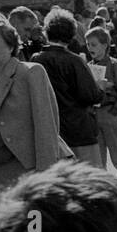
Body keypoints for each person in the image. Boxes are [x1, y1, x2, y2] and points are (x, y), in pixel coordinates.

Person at [0, 12, 69, 193]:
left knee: (34, 214)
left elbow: (46, 130)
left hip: (29, 175)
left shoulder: (31, 73)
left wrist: (45, 180)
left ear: (10, 45)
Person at [31, 9, 102, 166]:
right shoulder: (74, 61)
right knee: (89, 177)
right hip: (79, 130)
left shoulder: (36, 59)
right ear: (71, 34)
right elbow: (90, 95)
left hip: (51, 130)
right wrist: (100, 88)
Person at [83, 27, 117, 182]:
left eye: (93, 44)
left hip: (109, 113)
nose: (90, 48)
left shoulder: (114, 65)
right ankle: (103, 190)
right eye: (88, 44)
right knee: (97, 161)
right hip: (93, 116)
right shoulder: (88, 66)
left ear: (105, 45)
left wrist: (115, 109)